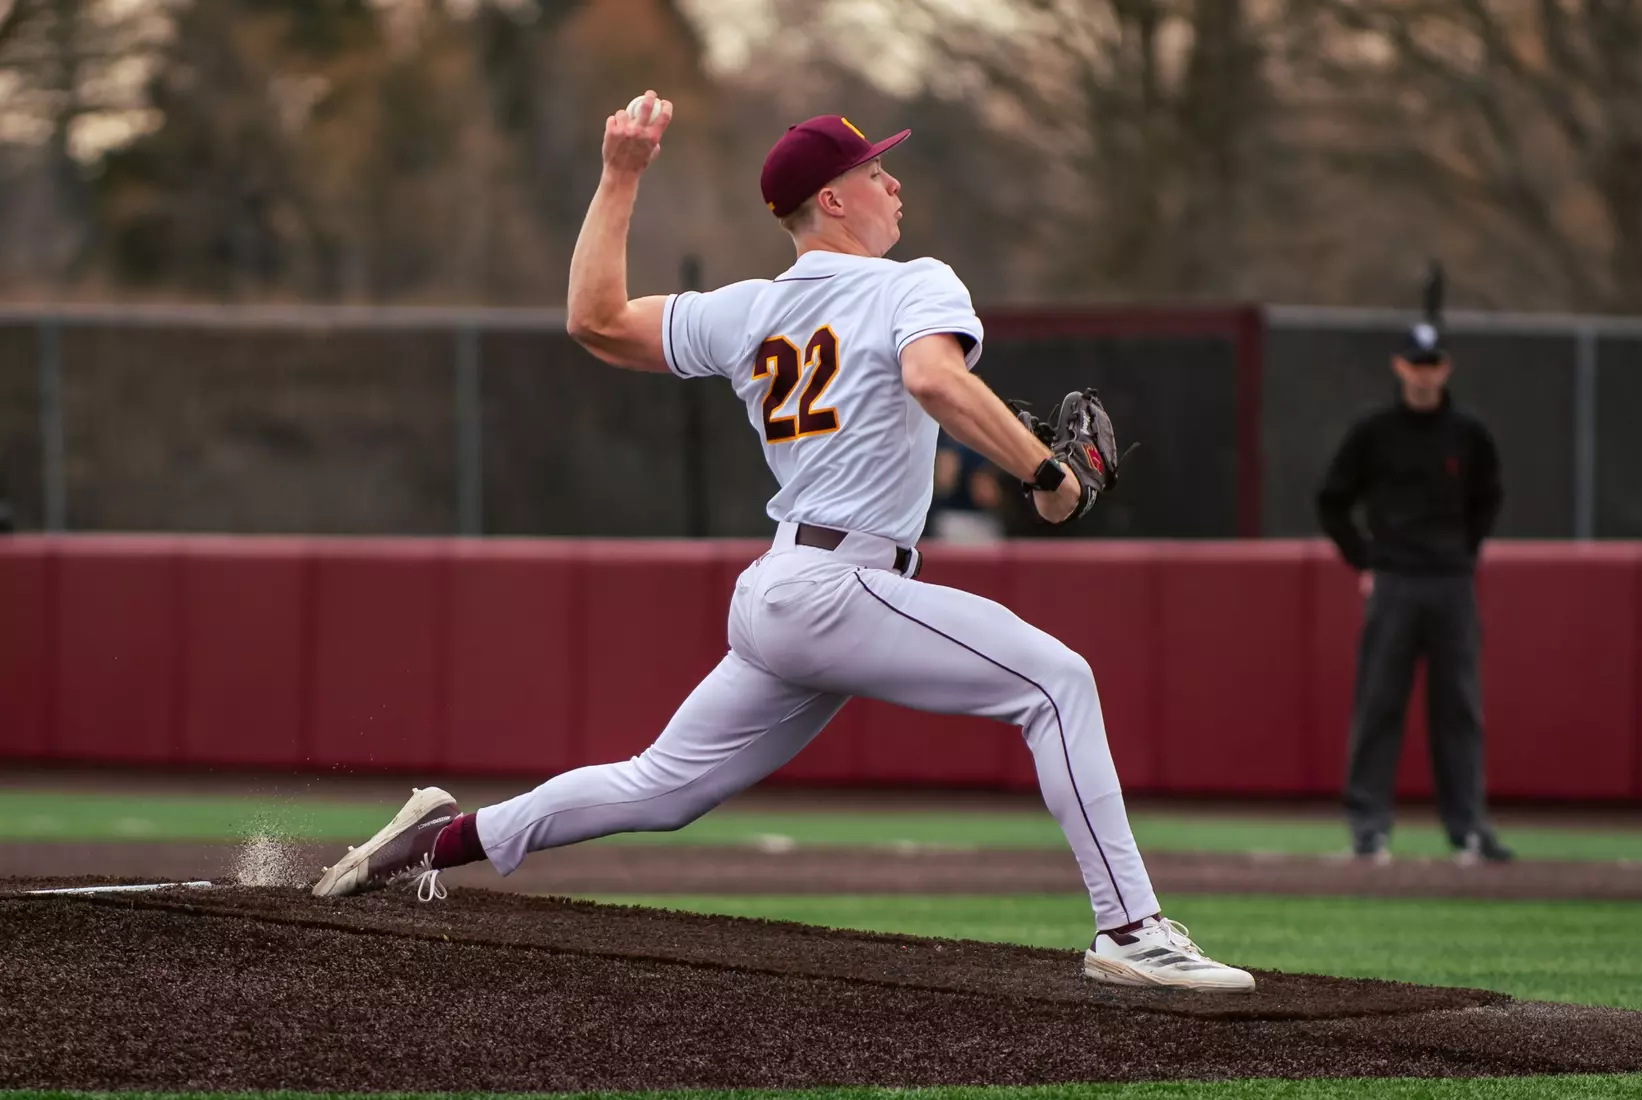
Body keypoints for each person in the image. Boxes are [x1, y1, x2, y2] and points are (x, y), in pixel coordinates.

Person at [313, 92, 1254, 992]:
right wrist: (1047, 476)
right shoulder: (915, 283)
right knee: (1059, 682)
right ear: (833, 199)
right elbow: (932, 379)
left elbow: (593, 319)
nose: (896, 187)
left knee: (660, 789)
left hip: (783, 590)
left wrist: (620, 176)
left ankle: (434, 841)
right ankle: (1132, 931)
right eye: (878, 173)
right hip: (842, 585)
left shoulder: (746, 309)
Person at [1317, 321, 1511, 866]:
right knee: (1379, 703)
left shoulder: (1468, 433)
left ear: (1444, 368)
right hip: (1395, 580)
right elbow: (1333, 500)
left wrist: (1462, 553)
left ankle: (1467, 828)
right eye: (1415, 364)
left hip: (1450, 580)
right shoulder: (1375, 433)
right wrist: (1365, 559)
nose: (1424, 375)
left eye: (1433, 365)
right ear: (1400, 367)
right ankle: (1369, 828)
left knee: (1459, 707)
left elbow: (1488, 498)